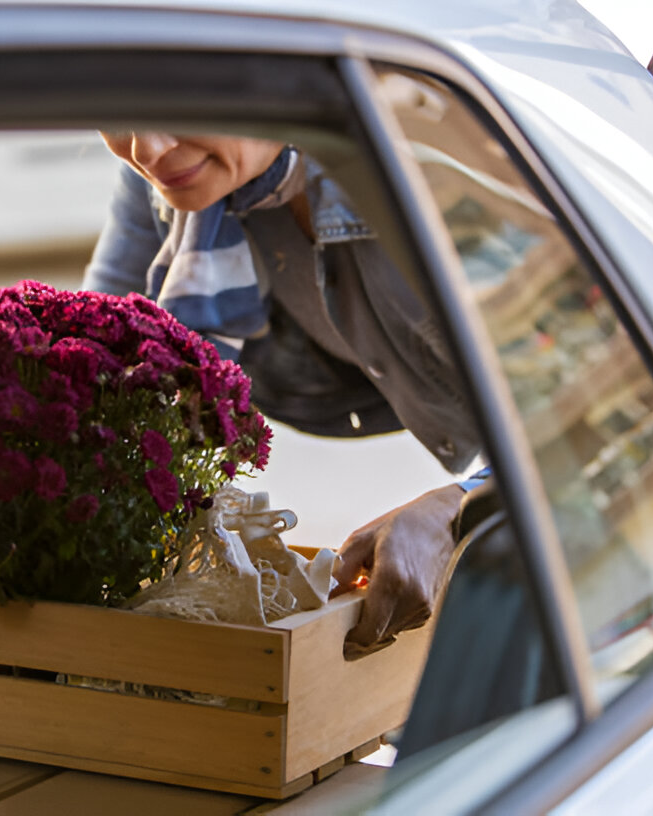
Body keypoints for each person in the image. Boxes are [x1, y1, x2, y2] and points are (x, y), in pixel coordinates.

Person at [83, 131, 488, 652]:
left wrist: (457, 511)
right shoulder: (172, 178)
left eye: (177, 100)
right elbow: (93, 356)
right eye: (114, 115)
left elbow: (604, 413)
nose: (146, 151)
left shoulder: (428, 175)